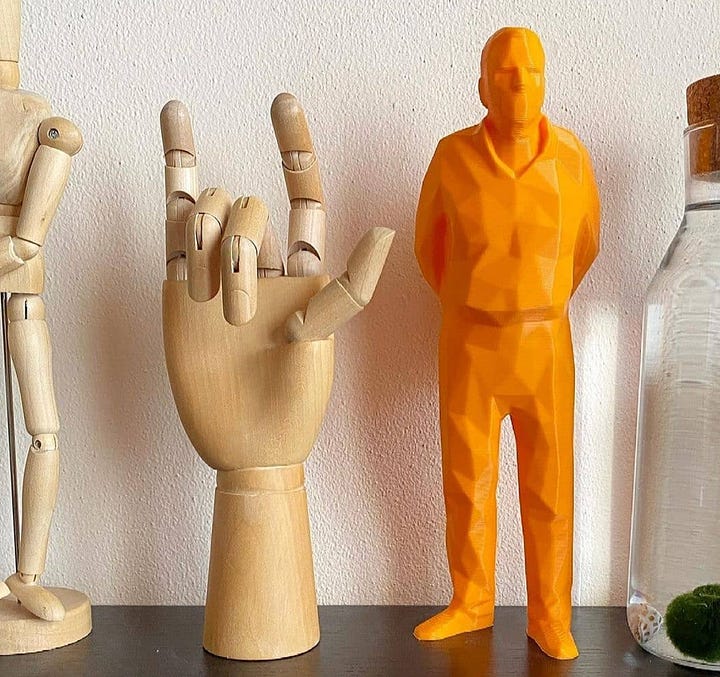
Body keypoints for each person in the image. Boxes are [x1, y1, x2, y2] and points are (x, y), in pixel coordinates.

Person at [414, 26, 600, 660]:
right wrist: (475, 299)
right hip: (470, 343)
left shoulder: (571, 157)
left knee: (551, 487)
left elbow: (586, 245)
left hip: (545, 344)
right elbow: (429, 248)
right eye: (504, 71)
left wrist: (538, 299)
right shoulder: (451, 157)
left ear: (546, 81)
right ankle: (471, 601)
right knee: (467, 480)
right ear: (481, 86)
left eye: (531, 70)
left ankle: (551, 615)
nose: (519, 83)